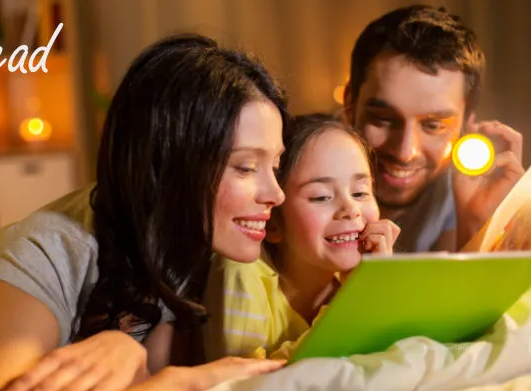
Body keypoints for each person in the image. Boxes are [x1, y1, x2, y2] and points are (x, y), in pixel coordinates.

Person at [0, 33, 289, 391]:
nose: (276, 194)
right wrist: (179, 381)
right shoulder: (52, 249)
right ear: (166, 164)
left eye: (275, 166)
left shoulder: (180, 240)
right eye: (245, 167)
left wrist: (142, 368)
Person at [203, 113, 400, 361]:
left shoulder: (362, 282)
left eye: (360, 192)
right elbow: (242, 386)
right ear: (273, 221)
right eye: (321, 197)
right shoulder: (240, 272)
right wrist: (353, 307)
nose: (351, 209)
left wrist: (374, 288)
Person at [343, 4, 525, 253]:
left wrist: (477, 224)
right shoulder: (294, 176)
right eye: (383, 119)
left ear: (467, 122)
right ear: (349, 103)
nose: (405, 152)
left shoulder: (465, 194)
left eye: (433, 125)